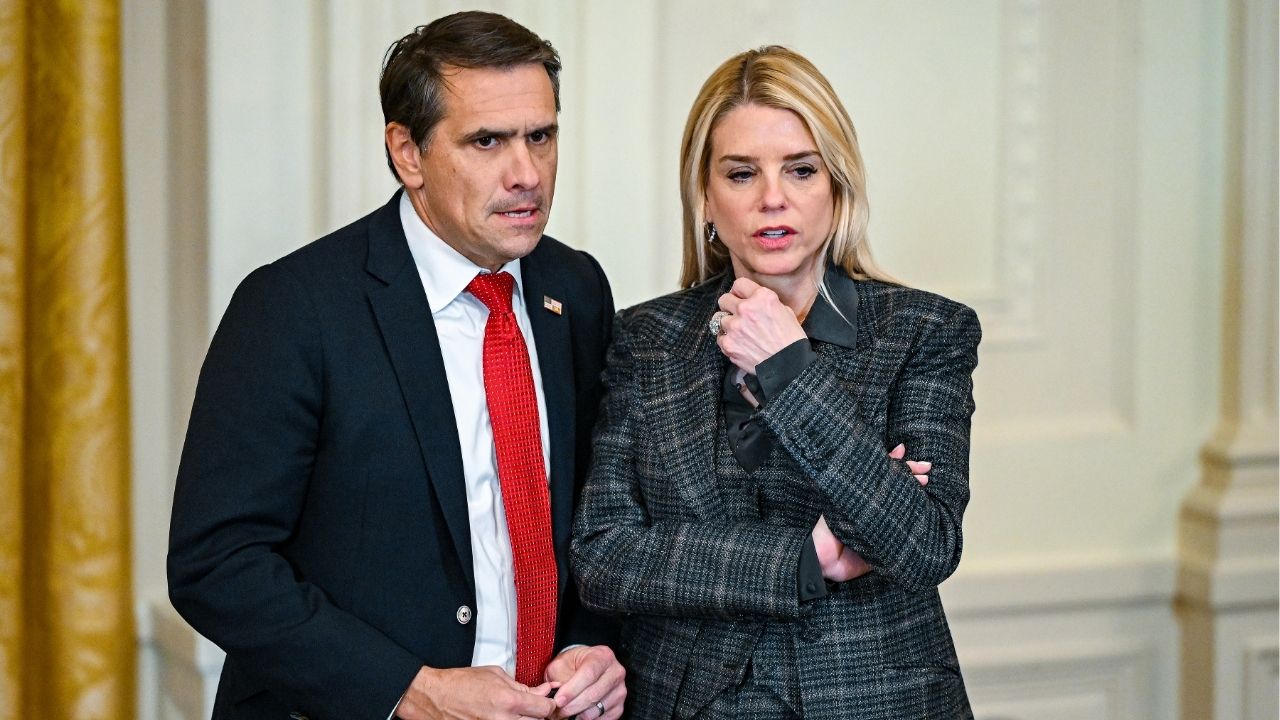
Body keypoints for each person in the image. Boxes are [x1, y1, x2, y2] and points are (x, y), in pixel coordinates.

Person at [168, 11, 625, 720]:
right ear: (408, 153)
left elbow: (595, 517)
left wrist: (590, 647)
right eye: (487, 141)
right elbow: (216, 563)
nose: (527, 174)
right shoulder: (294, 307)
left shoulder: (577, 289)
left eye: (541, 136)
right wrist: (414, 690)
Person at [571, 45, 980, 719]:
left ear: (837, 185)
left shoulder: (926, 331)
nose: (772, 198)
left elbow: (923, 543)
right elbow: (605, 556)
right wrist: (805, 557)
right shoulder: (645, 339)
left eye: (801, 169)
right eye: (741, 173)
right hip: (688, 702)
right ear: (705, 196)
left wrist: (790, 367)